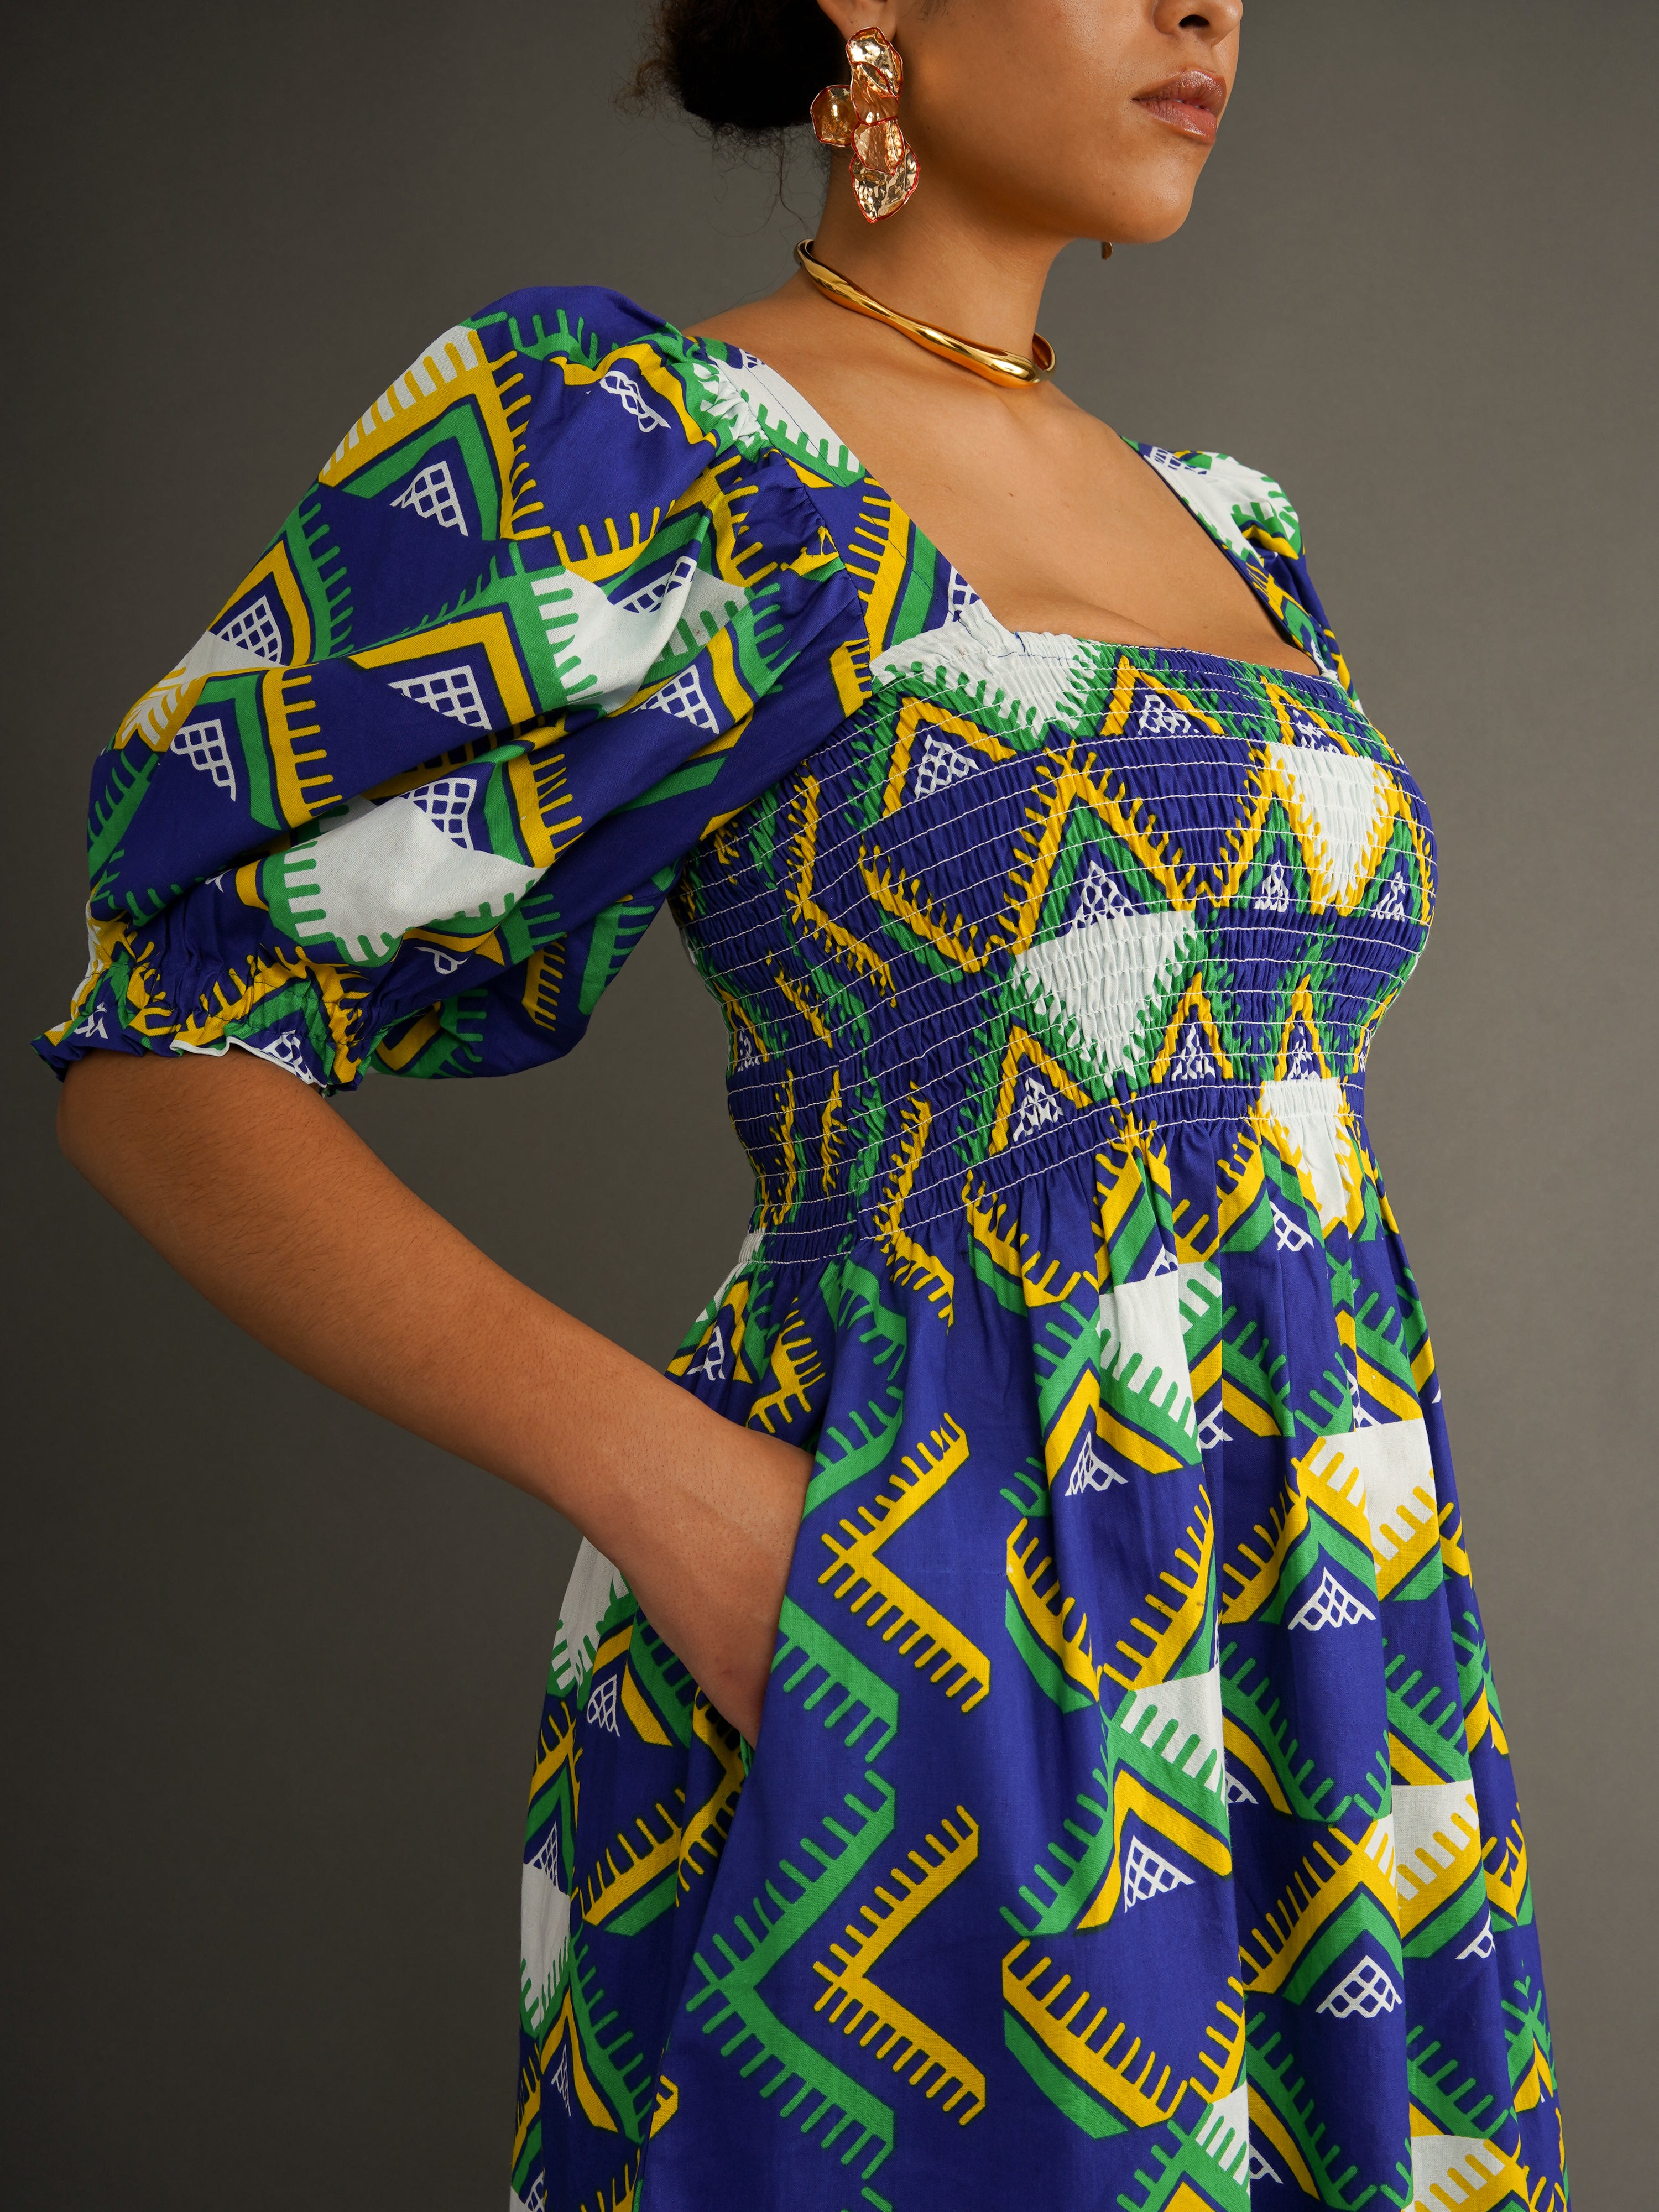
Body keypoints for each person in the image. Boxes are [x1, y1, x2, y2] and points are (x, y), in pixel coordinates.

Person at [38, 2, 1569, 2206]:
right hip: (924, 1592)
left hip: (1325, 1620)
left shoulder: (1230, 521)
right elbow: (164, 1044)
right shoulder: (661, 457)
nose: (1208, 8)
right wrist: (683, 1498)